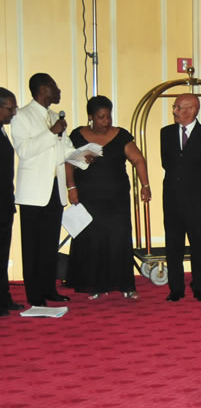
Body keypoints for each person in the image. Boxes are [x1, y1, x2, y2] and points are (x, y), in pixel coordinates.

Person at [10, 73, 90, 307]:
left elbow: (65, 151)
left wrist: (84, 158)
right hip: (33, 193)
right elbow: (24, 150)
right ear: (43, 89)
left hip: (55, 191)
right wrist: (52, 132)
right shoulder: (22, 116)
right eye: (55, 87)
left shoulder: (56, 117)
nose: (58, 91)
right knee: (33, 247)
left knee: (48, 246)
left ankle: (49, 290)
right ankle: (34, 295)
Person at [64, 96, 151, 299]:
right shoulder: (77, 135)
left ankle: (125, 286)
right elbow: (68, 162)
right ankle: (94, 286)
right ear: (91, 117)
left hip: (116, 198)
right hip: (88, 197)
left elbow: (138, 159)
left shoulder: (121, 136)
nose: (106, 121)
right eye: (101, 117)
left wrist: (145, 185)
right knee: (92, 240)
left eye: (108, 116)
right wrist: (71, 187)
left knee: (118, 238)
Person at [161, 93, 201, 302]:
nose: (175, 111)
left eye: (178, 107)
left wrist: (199, 186)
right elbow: (166, 163)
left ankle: (200, 287)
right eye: (175, 106)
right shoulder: (166, 133)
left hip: (198, 200)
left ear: (192, 110)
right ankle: (175, 289)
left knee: (199, 244)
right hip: (171, 198)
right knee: (173, 245)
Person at [0, 87, 23, 317]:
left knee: (2, 254)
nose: (14, 112)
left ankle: (4, 299)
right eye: (10, 108)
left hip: (5, 203)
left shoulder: (2, 130)